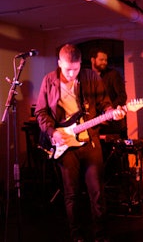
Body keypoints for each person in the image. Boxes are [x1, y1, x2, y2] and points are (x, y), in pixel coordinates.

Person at [35, 44, 126, 242]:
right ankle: (77, 236)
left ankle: (101, 236)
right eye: (67, 69)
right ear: (59, 63)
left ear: (81, 64)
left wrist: (112, 112)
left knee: (97, 192)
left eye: (75, 69)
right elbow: (41, 112)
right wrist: (52, 132)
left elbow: (105, 104)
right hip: (65, 145)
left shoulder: (91, 77)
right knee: (72, 195)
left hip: (89, 143)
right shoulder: (49, 81)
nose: (71, 73)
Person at [90, 48, 128, 139]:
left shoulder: (113, 74)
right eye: (101, 60)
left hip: (113, 126)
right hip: (94, 126)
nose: (105, 62)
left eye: (106, 60)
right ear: (93, 60)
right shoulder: (87, 77)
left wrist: (107, 113)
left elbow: (122, 96)